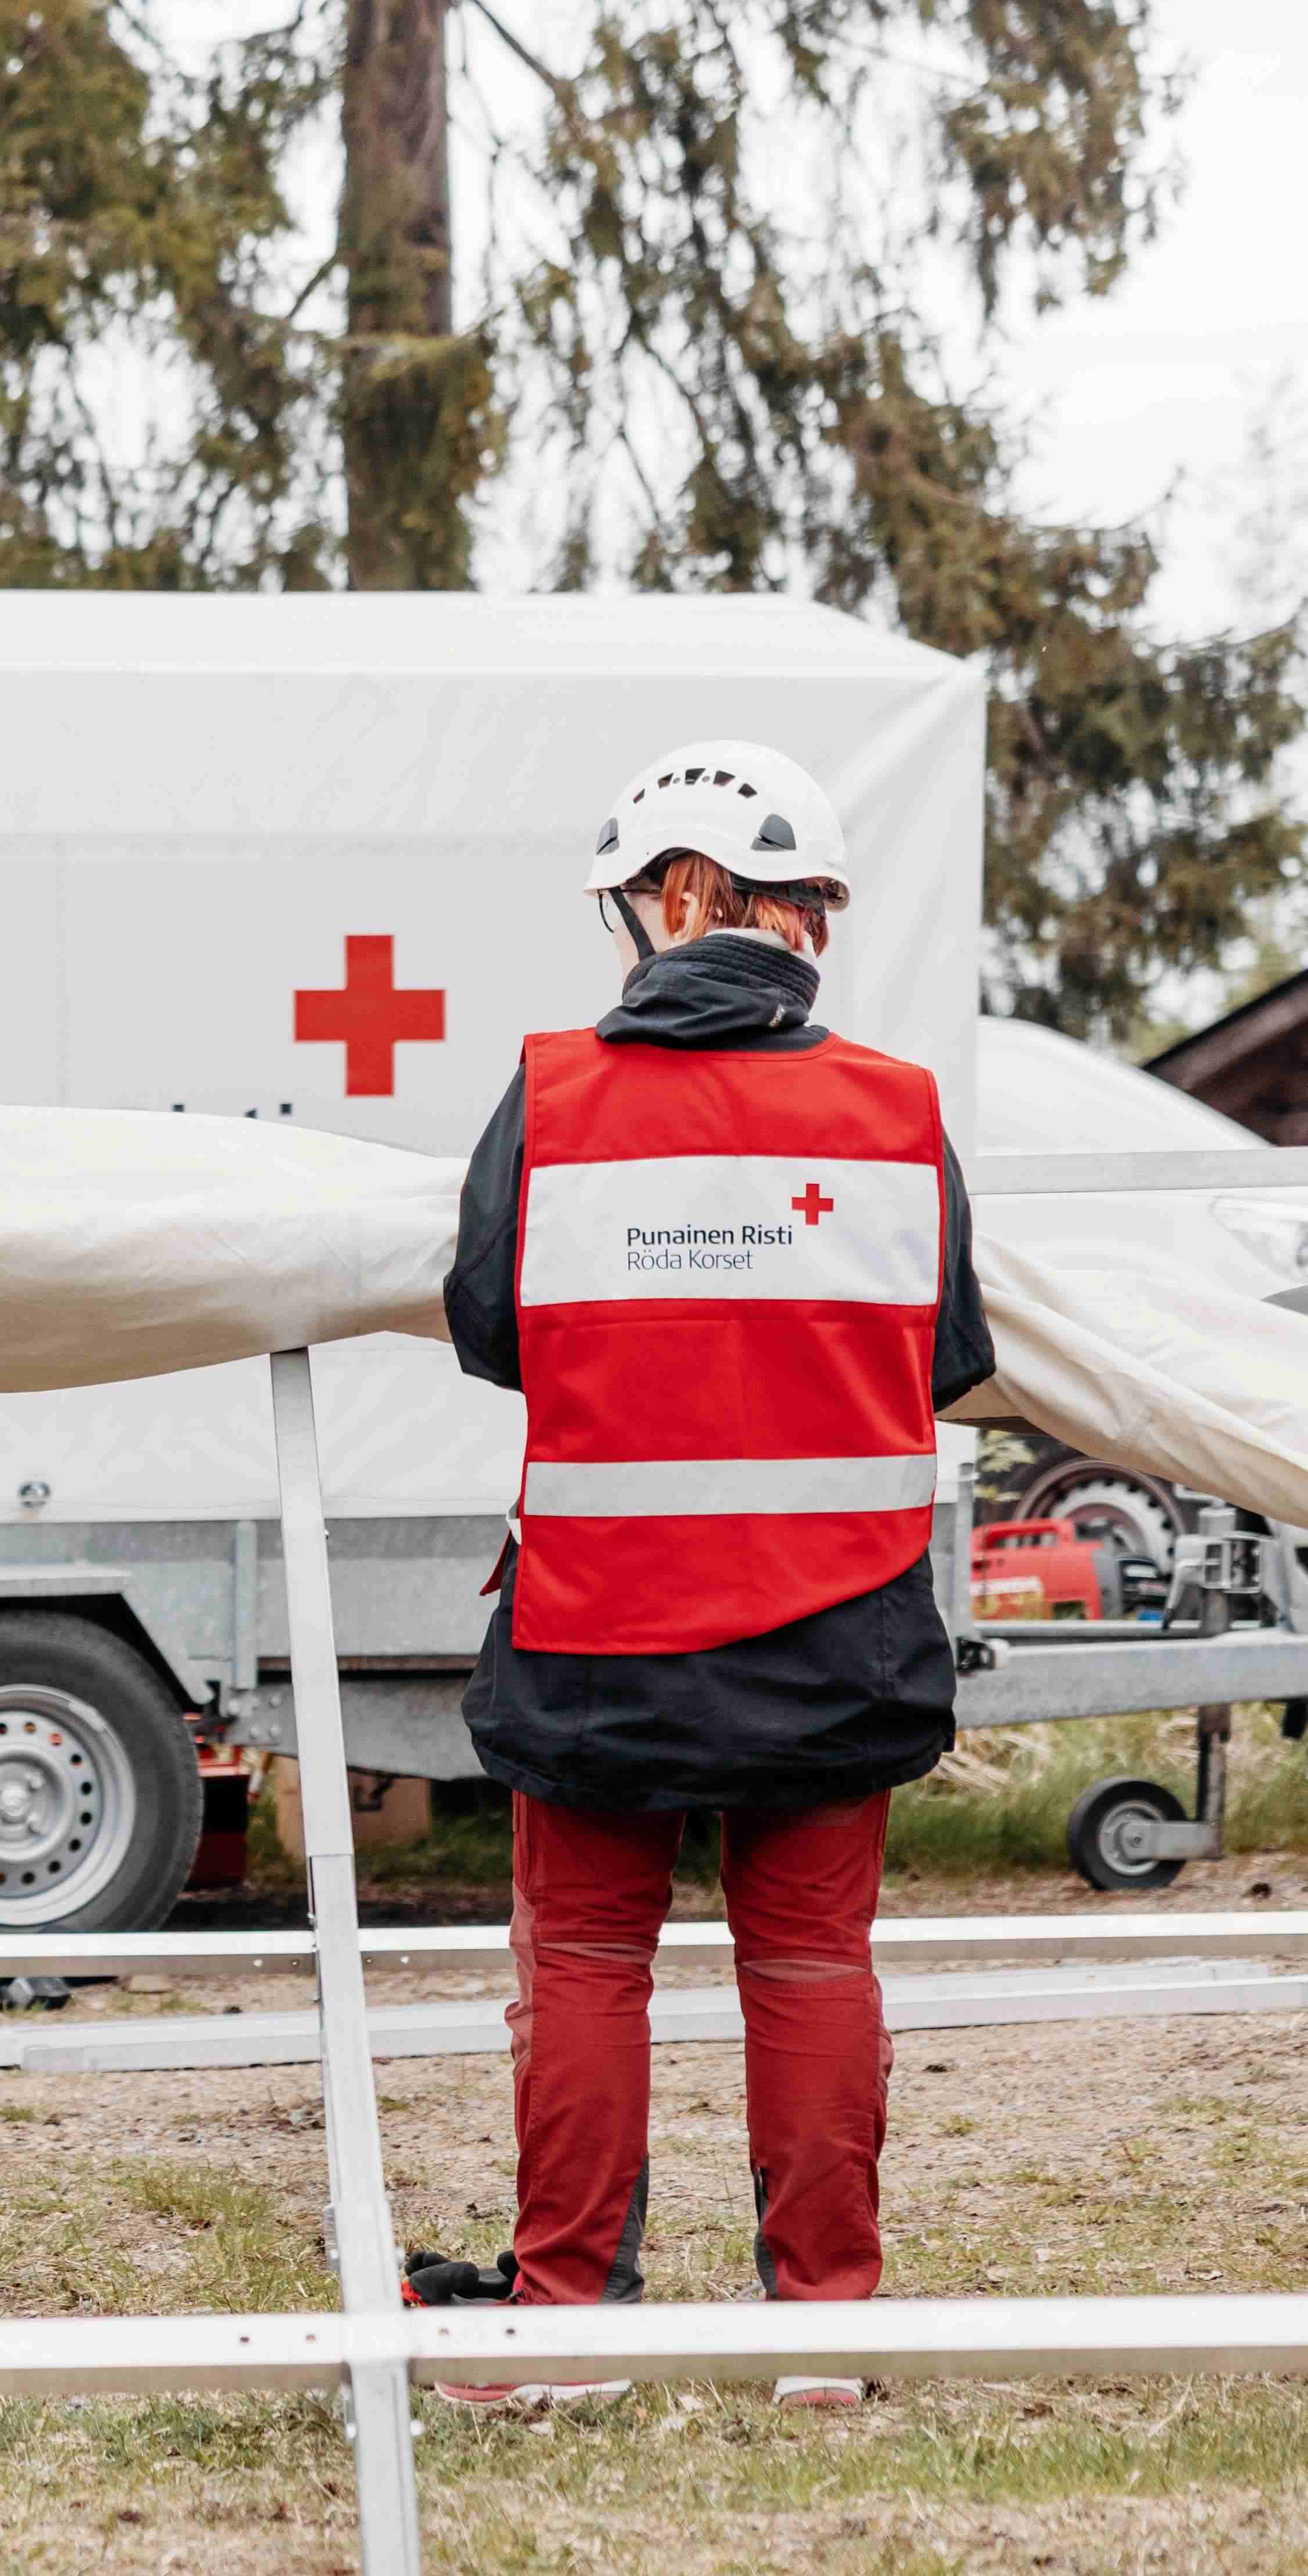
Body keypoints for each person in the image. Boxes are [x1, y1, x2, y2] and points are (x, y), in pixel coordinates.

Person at [425, 741, 993, 2413]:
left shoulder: (552, 1097)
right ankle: (824, 2339)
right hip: (843, 1631)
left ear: (678, 900)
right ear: (780, 916)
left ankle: (567, 2335)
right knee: (812, 1969)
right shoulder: (896, 1115)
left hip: (603, 1639)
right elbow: (947, 1354)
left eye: (628, 912)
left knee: (587, 1967)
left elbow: (486, 1325)